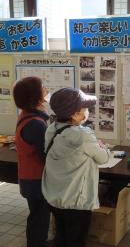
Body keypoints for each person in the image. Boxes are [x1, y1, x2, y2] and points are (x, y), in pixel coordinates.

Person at [41, 88, 110, 247]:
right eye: (85, 108)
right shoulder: (83, 135)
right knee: (77, 240)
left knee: (61, 236)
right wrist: (102, 147)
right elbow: (103, 158)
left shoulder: (52, 129)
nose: (87, 112)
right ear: (74, 114)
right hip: (76, 201)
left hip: (55, 196)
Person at [13, 76, 51, 247]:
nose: (45, 89)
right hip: (36, 180)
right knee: (39, 219)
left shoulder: (27, 115)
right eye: (42, 87)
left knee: (37, 216)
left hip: (29, 177)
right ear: (34, 95)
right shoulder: (36, 123)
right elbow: (46, 155)